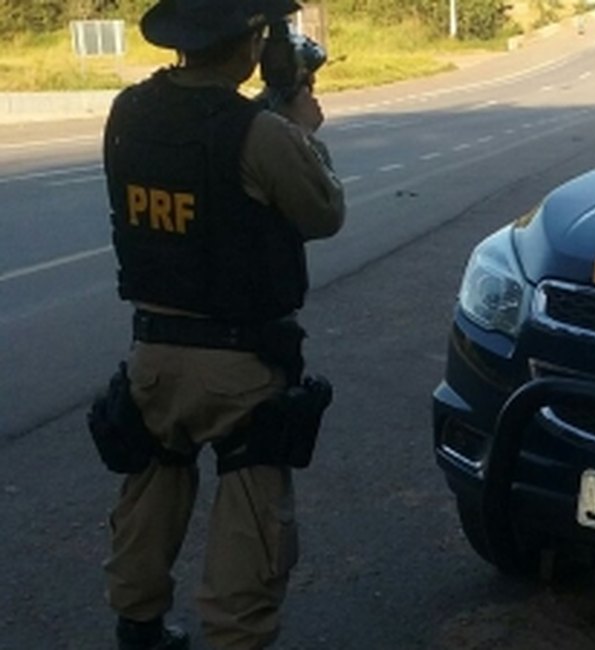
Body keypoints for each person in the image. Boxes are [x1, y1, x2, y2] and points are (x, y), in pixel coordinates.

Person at [95, 0, 345, 648]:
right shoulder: (257, 134)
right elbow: (323, 212)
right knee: (250, 517)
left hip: (153, 350)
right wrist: (299, 126)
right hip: (238, 364)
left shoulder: (127, 113)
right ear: (247, 44)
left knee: (151, 485)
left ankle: (138, 625)